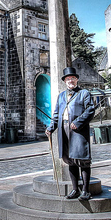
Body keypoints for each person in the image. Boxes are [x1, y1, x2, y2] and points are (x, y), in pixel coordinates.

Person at [46, 67, 96, 200]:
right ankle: (75, 189)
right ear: (64, 81)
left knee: (83, 160)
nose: (70, 81)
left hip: (78, 131)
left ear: (77, 79)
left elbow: (90, 110)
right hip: (64, 130)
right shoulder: (61, 96)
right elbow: (56, 114)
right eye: (68, 79)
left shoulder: (84, 93)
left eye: (72, 78)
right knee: (70, 160)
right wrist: (51, 128)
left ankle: (86, 190)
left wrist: (78, 122)